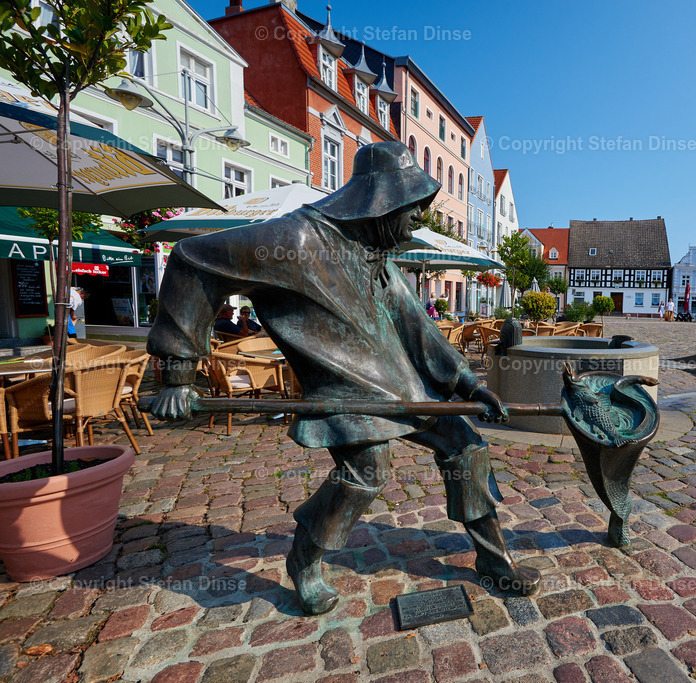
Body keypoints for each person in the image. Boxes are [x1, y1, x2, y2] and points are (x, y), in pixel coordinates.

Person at [148, 141, 540, 615]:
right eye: (414, 206)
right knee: (365, 475)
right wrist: (177, 372)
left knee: (467, 447)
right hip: (346, 393)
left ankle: (494, 561)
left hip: (409, 390)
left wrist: (468, 385)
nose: (420, 217)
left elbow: (419, 329)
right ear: (383, 200)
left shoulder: (377, 256)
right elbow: (192, 260)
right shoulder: (292, 242)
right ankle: (304, 561)